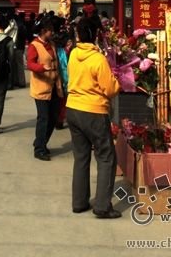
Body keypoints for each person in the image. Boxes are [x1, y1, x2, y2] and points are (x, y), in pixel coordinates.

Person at [66, 17, 120, 218]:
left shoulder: (73, 54)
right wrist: (117, 82)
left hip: (73, 108)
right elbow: (110, 88)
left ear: (78, 35)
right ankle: (102, 206)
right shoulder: (98, 59)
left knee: (80, 157)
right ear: (95, 35)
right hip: (94, 111)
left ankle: (79, 202)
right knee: (106, 157)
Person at [27, 17, 63, 161]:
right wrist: (42, 68)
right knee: (43, 118)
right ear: (43, 31)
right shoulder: (34, 46)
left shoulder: (52, 44)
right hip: (41, 87)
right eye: (50, 31)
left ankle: (41, 141)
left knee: (53, 117)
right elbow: (30, 64)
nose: (52, 33)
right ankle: (39, 149)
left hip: (54, 85)